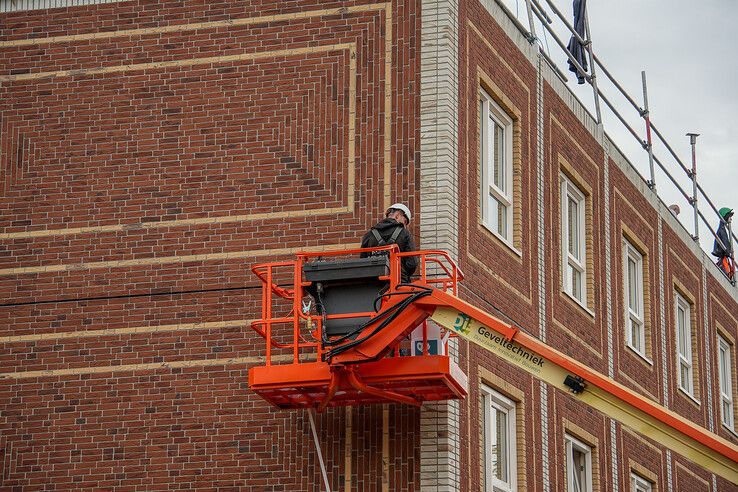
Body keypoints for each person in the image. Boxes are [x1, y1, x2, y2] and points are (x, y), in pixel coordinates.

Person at [360, 203, 418, 283]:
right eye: (404, 222)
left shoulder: (369, 235)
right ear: (397, 215)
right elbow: (412, 263)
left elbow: (362, 262)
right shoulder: (405, 233)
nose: (404, 226)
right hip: (398, 284)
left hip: (373, 284)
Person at [712, 207, 735, 280]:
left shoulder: (722, 228)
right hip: (723, 257)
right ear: (725, 217)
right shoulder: (722, 230)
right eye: (729, 217)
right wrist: (728, 251)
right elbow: (725, 241)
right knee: (725, 275)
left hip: (724, 257)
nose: (731, 219)